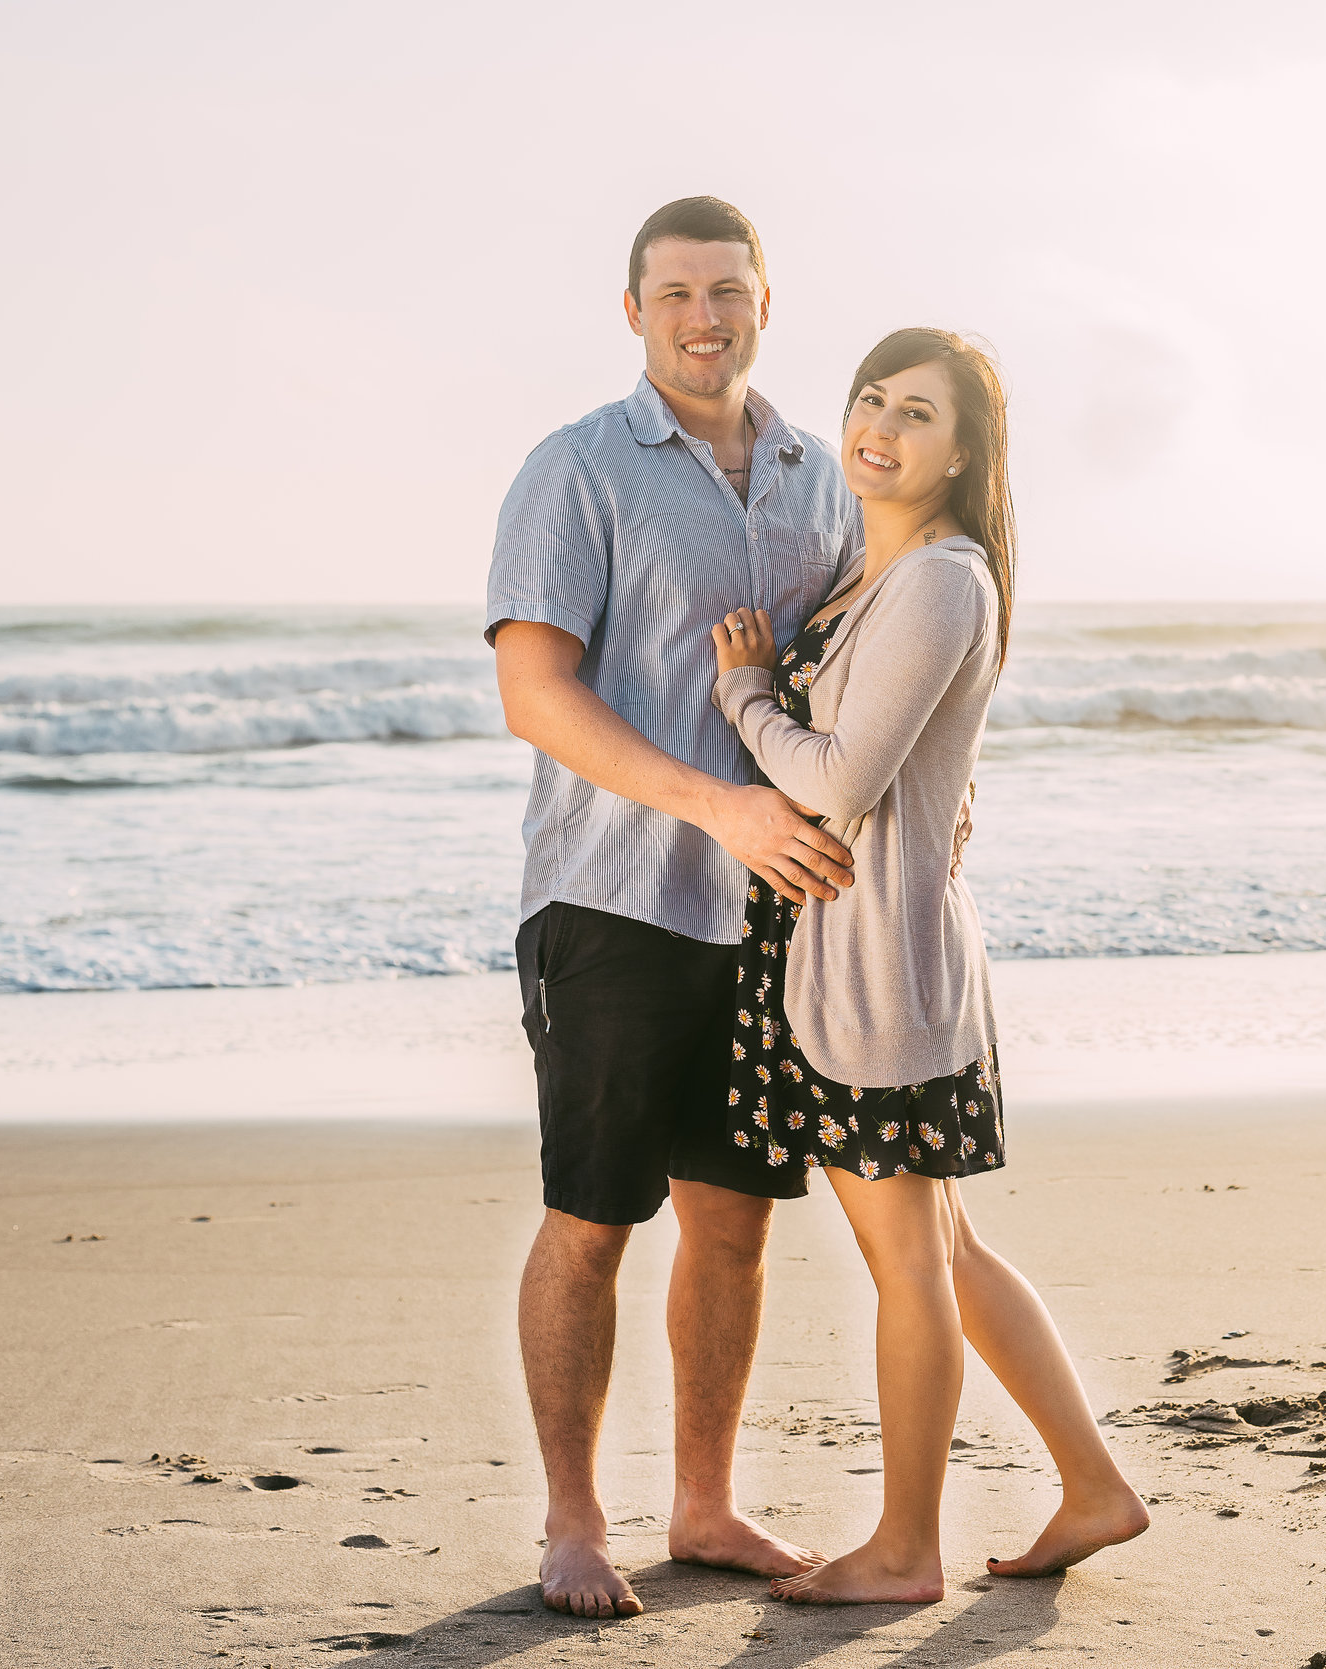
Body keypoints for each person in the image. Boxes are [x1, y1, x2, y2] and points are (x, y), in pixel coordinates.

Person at [705, 327, 1149, 1604]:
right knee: (943, 1249)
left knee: (909, 1261)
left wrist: (743, 694)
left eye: (917, 413)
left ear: (964, 455)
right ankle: (1094, 1485)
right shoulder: (871, 573)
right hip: (851, 956)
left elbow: (839, 783)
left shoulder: (942, 579)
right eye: (869, 399)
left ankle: (904, 1549)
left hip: (876, 976)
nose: (879, 427)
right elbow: (913, 748)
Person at [485, 196, 858, 1619]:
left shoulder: (824, 477)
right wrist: (716, 806)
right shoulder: (575, 469)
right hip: (613, 902)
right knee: (593, 1216)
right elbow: (535, 693)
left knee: (736, 1222)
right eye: (676, 293)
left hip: (770, 918)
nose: (705, 317)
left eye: (728, 291)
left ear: (768, 301)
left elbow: (841, 689)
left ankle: (702, 1502)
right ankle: (574, 1517)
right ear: (633, 311)